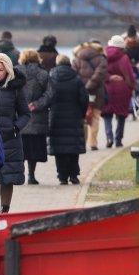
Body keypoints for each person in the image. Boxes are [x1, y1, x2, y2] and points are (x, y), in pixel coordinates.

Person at [0, 54, 30, 212]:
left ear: (7, 70)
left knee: (8, 177)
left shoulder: (16, 89)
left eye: (0, 70)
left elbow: (25, 114)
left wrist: (16, 127)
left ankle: (5, 209)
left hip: (10, 139)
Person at [48, 56, 89, 184]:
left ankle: (62, 177)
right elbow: (84, 99)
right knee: (73, 148)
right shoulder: (77, 79)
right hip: (74, 116)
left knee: (59, 150)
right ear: (69, 64)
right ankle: (74, 175)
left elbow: (47, 97)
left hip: (56, 118)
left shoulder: (51, 79)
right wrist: (81, 113)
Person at [16, 50, 54, 185]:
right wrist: (37, 104)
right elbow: (50, 94)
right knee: (34, 150)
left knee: (19, 149)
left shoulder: (15, 72)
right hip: (37, 118)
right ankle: (31, 175)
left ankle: (19, 175)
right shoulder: (43, 74)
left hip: (18, 117)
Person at [71, 39, 107, 151]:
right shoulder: (101, 59)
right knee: (95, 117)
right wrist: (90, 85)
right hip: (97, 92)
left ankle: (83, 141)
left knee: (82, 117)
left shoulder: (77, 59)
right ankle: (93, 143)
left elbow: (73, 74)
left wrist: (83, 88)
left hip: (80, 93)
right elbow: (100, 74)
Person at [103, 35, 136, 148]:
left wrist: (108, 78)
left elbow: (100, 72)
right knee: (121, 116)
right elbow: (130, 76)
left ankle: (109, 137)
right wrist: (132, 88)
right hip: (122, 89)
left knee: (107, 115)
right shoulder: (124, 58)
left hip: (107, 88)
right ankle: (118, 140)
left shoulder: (103, 56)